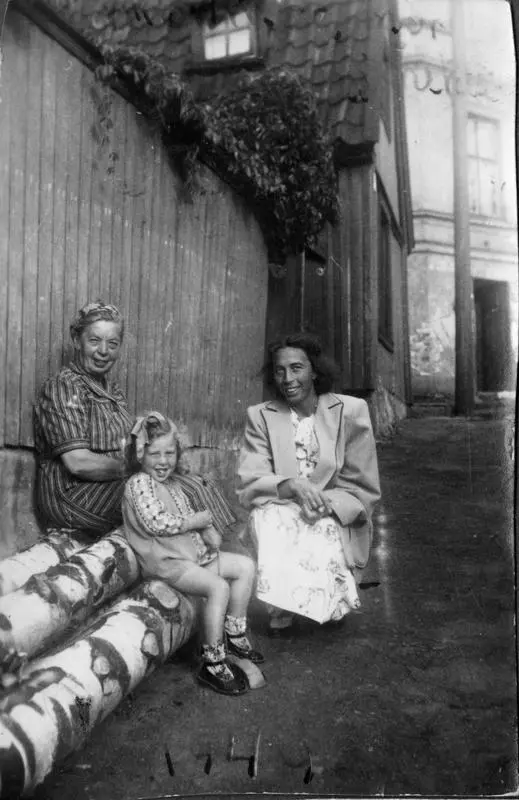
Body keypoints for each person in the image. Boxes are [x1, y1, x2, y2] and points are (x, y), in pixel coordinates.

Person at [236, 333, 381, 632]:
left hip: (336, 506)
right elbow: (250, 479)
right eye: (280, 370)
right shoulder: (261, 416)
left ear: (314, 370)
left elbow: (363, 483)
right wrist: (291, 486)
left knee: (323, 526)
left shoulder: (350, 411)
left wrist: (327, 503)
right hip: (281, 503)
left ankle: (331, 605)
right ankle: (282, 611)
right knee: (273, 520)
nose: (288, 378)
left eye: (297, 368)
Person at [122, 412, 264, 696]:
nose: (163, 462)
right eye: (155, 454)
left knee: (246, 566)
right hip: (166, 563)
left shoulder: (173, 483)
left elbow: (188, 519)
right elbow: (157, 522)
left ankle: (234, 634)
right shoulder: (139, 484)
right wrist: (199, 521)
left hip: (190, 557)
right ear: (140, 455)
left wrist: (206, 531)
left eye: (170, 453)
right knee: (218, 587)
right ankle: (212, 661)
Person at [33, 302, 132, 538]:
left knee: (184, 484)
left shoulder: (114, 392)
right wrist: (135, 470)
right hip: (71, 497)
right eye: (94, 340)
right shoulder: (64, 386)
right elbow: (78, 462)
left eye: (113, 343)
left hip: (107, 488)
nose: (103, 351)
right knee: (151, 492)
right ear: (77, 341)